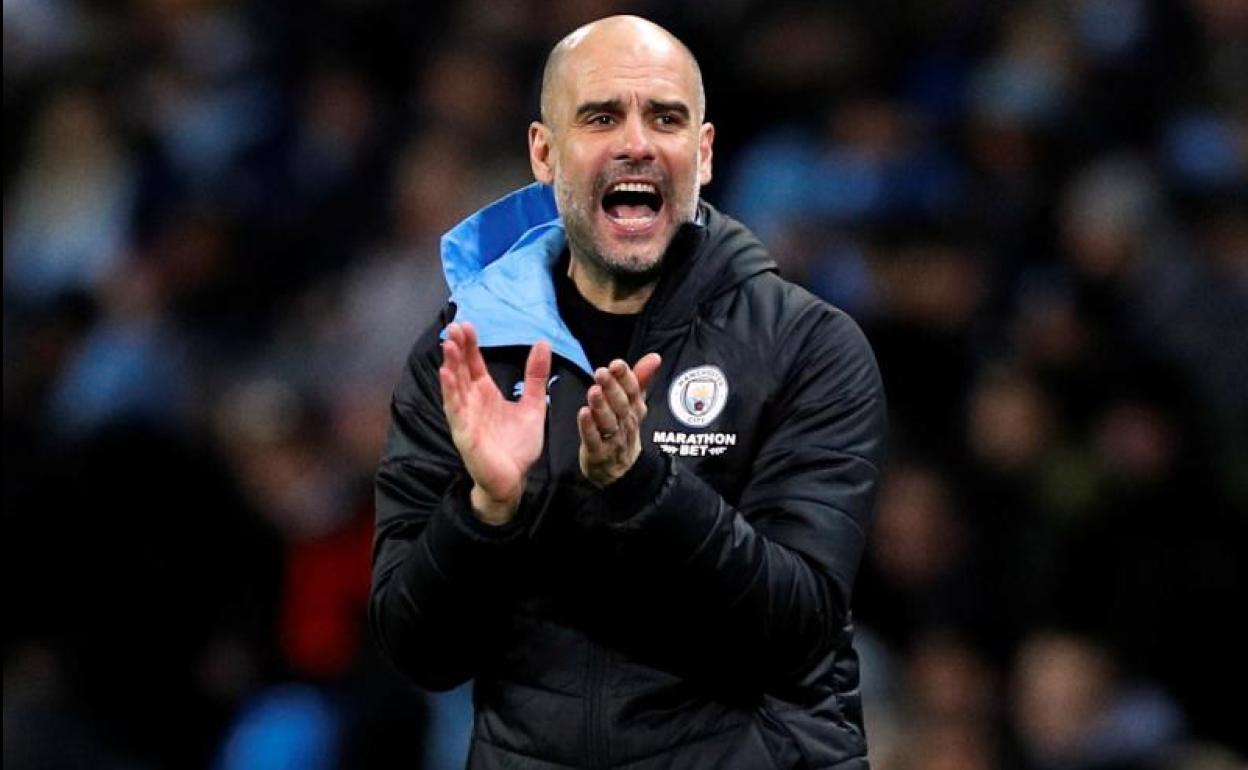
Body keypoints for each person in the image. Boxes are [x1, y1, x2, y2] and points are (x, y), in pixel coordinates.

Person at [371, 15, 887, 769]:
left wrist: (644, 487)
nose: (637, 143)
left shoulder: (806, 347)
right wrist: (484, 512)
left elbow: (798, 628)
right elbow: (420, 651)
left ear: (703, 154)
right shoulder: (467, 354)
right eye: (601, 117)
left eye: (666, 119)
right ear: (544, 153)